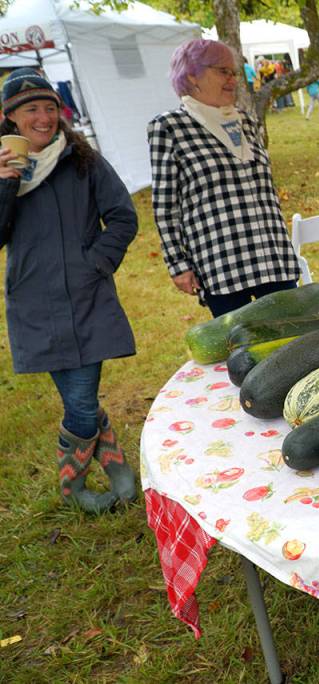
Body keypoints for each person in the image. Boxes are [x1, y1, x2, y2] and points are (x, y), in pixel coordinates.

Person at [0, 69, 138, 513]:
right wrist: (6, 183)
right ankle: (110, 468)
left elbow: (123, 216)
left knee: (79, 398)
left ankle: (74, 486)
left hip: (86, 296)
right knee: (80, 398)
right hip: (34, 301)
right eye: (31, 109)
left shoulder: (83, 160)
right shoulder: (3, 168)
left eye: (49, 108)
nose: (43, 118)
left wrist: (94, 263)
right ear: (10, 118)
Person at [147, 39, 301, 318]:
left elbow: (264, 188)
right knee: (242, 342)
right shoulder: (169, 127)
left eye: (234, 72)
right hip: (222, 263)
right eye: (223, 71)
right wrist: (177, 264)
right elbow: (165, 207)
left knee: (295, 335)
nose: (232, 79)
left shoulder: (244, 120)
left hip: (272, 255)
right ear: (192, 75)